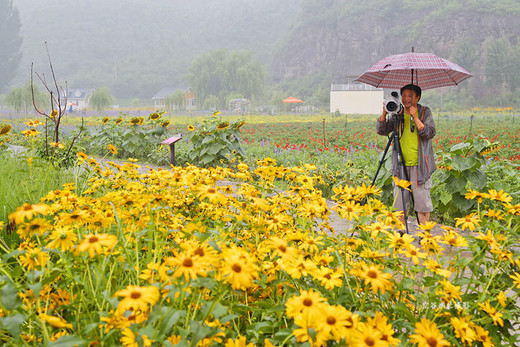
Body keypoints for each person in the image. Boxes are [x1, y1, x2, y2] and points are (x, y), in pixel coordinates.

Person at [376, 84, 437, 226]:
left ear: (418, 97)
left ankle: (424, 235)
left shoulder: (425, 112)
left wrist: (415, 117)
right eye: (404, 95)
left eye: (410, 96)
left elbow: (430, 133)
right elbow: (383, 131)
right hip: (400, 165)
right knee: (399, 204)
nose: (406, 98)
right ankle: (401, 234)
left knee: (422, 204)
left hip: (420, 166)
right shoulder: (398, 112)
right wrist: (385, 114)